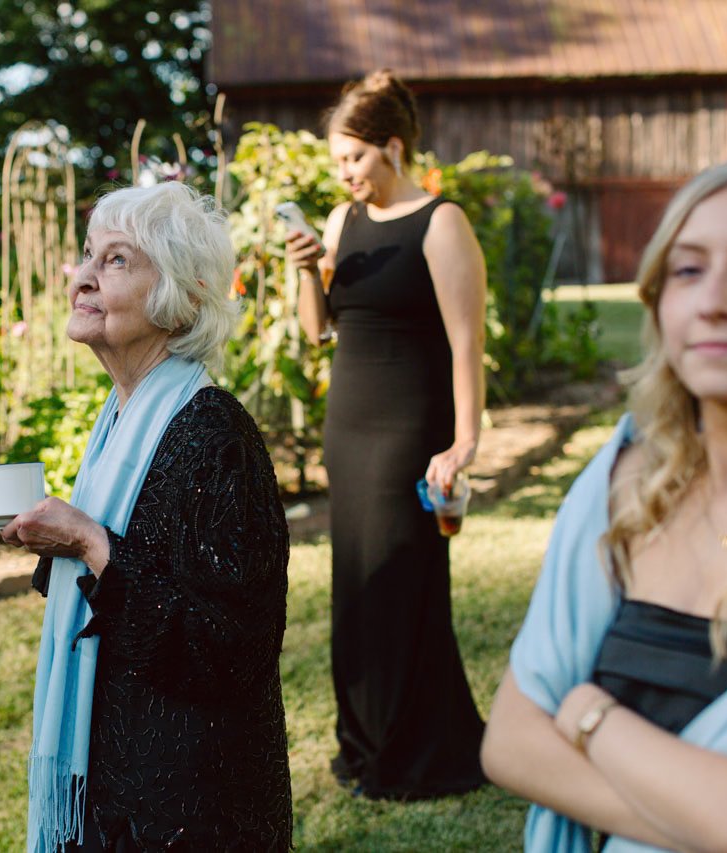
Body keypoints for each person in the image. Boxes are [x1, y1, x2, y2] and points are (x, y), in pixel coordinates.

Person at [481, 153, 727, 852]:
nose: (713, 299)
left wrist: (590, 715)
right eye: (687, 269)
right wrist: (707, 813)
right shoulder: (624, 484)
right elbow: (508, 741)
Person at [0, 181, 291, 851]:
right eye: (88, 255)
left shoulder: (215, 435)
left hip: (191, 798)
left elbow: (232, 649)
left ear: (180, 299)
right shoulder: (120, 422)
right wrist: (58, 543)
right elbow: (129, 578)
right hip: (122, 778)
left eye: (117, 260)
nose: (83, 276)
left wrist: (92, 543)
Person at [284, 68, 488, 799]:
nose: (345, 175)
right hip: (350, 427)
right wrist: (305, 270)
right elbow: (319, 331)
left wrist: (464, 444)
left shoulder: (443, 223)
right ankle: (363, 743)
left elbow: (467, 344)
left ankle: (417, 749)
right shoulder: (341, 222)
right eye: (338, 162)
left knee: (404, 584)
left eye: (355, 159)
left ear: (392, 148)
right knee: (356, 588)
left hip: (411, 430)